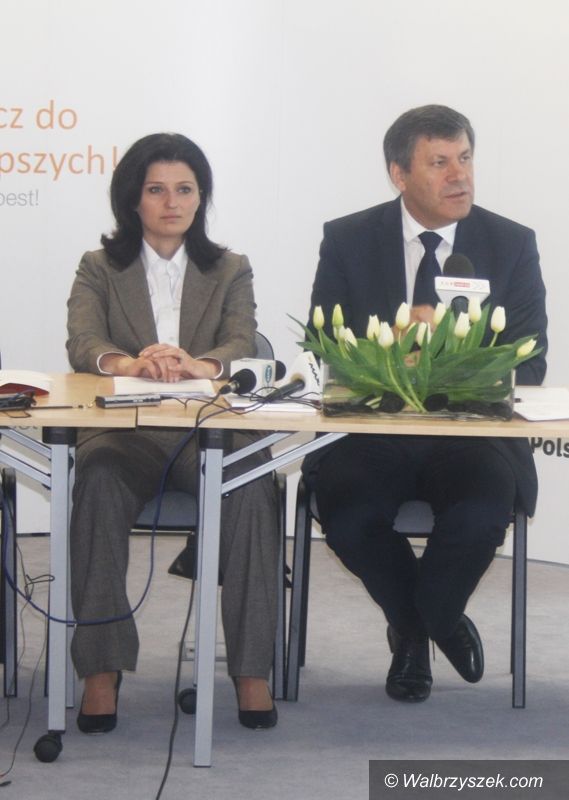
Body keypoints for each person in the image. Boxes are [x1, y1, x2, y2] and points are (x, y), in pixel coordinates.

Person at [304, 105, 547, 703]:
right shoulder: (349, 239)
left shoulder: (511, 244)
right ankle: (422, 625)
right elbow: (325, 350)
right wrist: (396, 349)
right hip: (375, 433)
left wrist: (449, 354)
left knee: (482, 512)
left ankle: (427, 619)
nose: (459, 175)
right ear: (399, 173)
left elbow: (530, 363)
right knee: (348, 515)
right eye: (439, 163)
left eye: (464, 158)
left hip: (470, 437)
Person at [66, 132, 279, 732]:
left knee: (251, 484)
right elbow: (83, 342)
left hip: (205, 429)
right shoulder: (98, 267)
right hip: (126, 432)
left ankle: (251, 670)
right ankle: (101, 669)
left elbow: (241, 340)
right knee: (98, 481)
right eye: (156, 190)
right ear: (132, 199)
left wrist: (199, 364)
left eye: (185, 189)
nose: (172, 202)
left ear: (200, 197)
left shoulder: (230, 268)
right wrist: (127, 363)